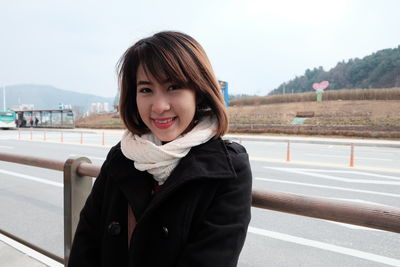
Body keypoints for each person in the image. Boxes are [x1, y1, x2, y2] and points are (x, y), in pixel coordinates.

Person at [68, 31, 252, 267]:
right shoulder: (123, 156)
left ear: (199, 91)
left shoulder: (227, 168)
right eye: (146, 90)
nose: (160, 106)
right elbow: (86, 244)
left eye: (173, 87)